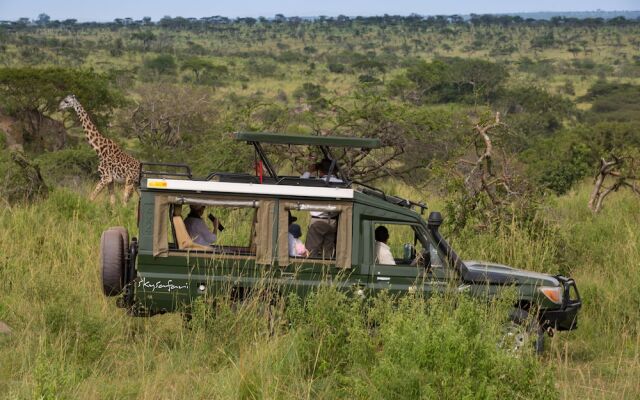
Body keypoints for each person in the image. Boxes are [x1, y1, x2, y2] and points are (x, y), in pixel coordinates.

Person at [303, 158, 343, 257]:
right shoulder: (340, 183)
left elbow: (300, 183)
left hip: (317, 221)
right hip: (333, 221)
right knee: (328, 253)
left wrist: (309, 171)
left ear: (320, 170)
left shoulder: (317, 183)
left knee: (311, 251)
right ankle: (327, 271)